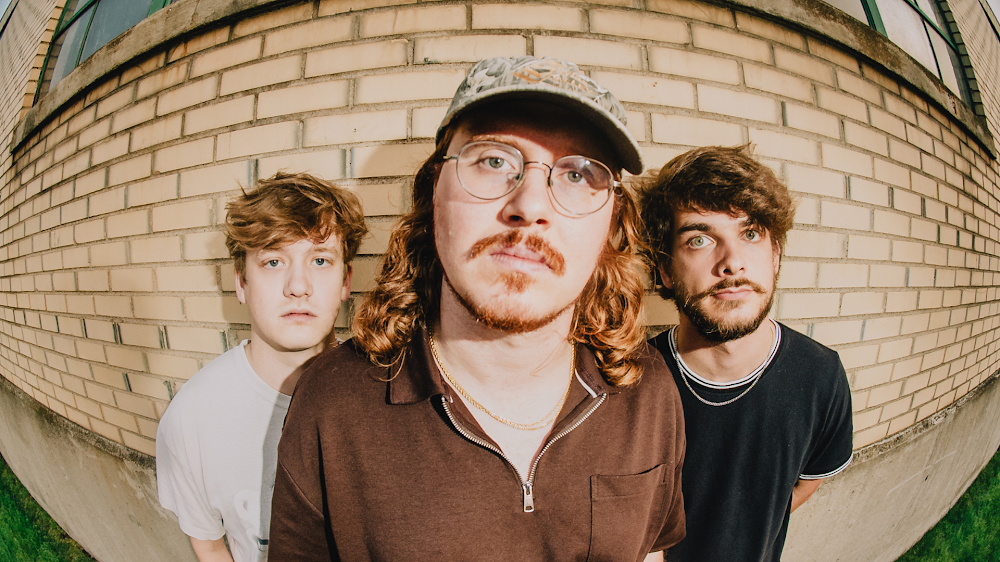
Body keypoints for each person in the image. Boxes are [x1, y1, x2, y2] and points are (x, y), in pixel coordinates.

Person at [268, 56, 686, 562]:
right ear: (433, 195)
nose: (530, 205)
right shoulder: (331, 403)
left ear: (610, 226)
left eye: (578, 174)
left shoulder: (649, 391)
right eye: (492, 160)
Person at [638, 145, 854, 562]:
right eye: (700, 239)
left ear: (775, 256)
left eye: (750, 233)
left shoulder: (821, 376)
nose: (732, 262)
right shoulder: (631, 382)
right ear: (665, 268)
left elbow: (806, 482)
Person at [156, 172, 368, 562]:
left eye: (320, 260)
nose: (298, 285)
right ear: (241, 282)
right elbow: (210, 544)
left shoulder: (385, 392)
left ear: (345, 281)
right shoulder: (192, 418)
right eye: (273, 261)